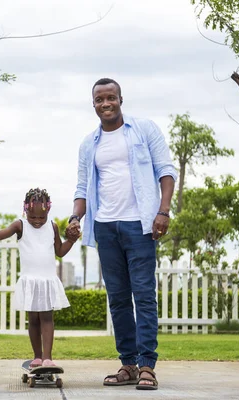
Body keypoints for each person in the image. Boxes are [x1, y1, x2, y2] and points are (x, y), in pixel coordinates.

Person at [66, 78, 177, 390]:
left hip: (139, 225)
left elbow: (166, 171)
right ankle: (127, 363)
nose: (105, 104)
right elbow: (83, 186)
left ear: (120, 99)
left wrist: (163, 211)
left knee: (143, 295)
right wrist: (76, 215)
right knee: (117, 299)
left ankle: (147, 366)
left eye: (110, 98)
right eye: (99, 99)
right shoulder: (90, 143)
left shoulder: (144, 130)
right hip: (105, 226)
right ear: (94, 104)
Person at [0, 188, 77, 367]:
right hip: (30, 281)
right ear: (26, 210)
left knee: (47, 318)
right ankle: (37, 356)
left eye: (41, 218)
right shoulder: (20, 225)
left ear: (48, 211)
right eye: (33, 217)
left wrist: (71, 240)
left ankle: (48, 358)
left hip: (47, 280)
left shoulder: (53, 226)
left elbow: (59, 252)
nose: (37, 222)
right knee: (33, 319)